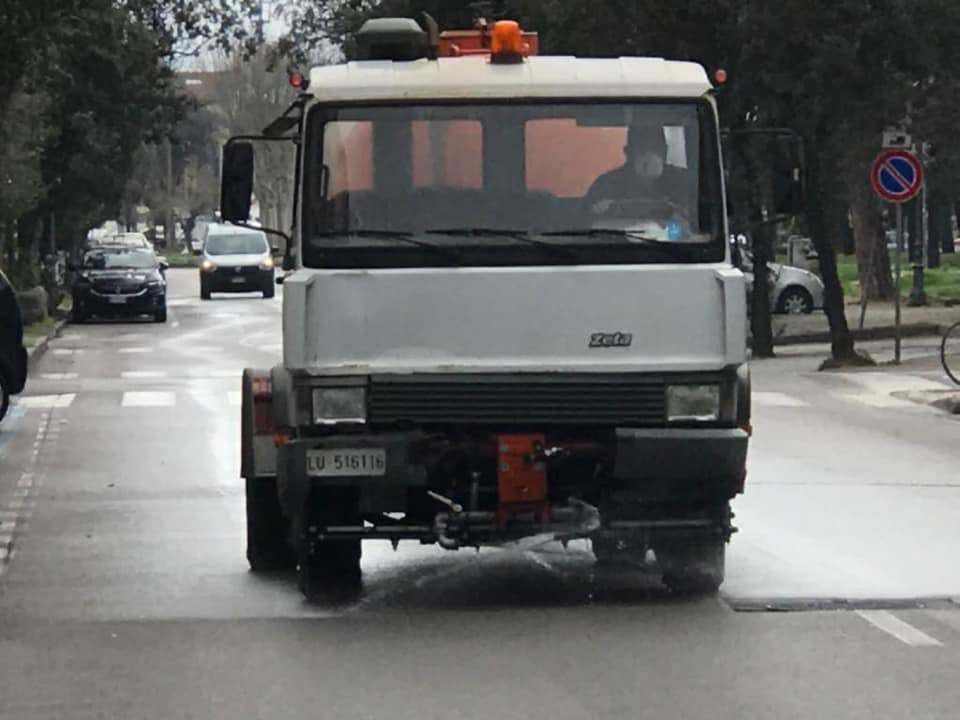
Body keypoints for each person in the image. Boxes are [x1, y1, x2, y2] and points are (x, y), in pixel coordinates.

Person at [584, 122, 686, 217]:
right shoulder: (606, 184)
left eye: (655, 147)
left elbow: (694, 217)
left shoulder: (682, 181)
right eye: (642, 149)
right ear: (628, 152)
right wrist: (598, 212)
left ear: (665, 150)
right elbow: (583, 222)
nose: (649, 155)